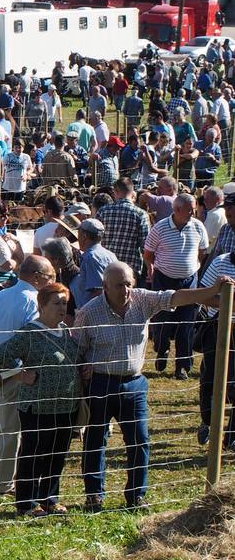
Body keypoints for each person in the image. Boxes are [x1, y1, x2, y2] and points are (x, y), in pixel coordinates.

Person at [73, 261, 226, 511]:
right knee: (95, 441)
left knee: (140, 441)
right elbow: (77, 350)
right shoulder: (89, 313)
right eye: (119, 285)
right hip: (100, 383)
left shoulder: (143, 300)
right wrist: (83, 373)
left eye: (129, 284)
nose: (125, 290)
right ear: (105, 287)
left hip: (134, 384)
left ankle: (136, 496)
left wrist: (211, 291)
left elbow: (176, 297)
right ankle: (94, 496)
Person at [0, 256, 58, 496]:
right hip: (13, 374)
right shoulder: (32, 301)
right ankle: (3, 484)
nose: (52, 281)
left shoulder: (0, 296)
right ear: (38, 277)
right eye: (50, 277)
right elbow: (27, 342)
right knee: (12, 430)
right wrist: (13, 372)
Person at [0, 283, 79, 517]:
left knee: (57, 454)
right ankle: (26, 503)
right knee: (33, 453)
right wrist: (20, 375)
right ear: (42, 305)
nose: (62, 308)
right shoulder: (30, 332)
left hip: (65, 405)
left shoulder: (66, 331)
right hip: (37, 406)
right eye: (56, 303)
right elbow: (1, 354)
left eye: (64, 303)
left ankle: (49, 498)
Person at [145, 192, 209, 379]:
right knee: (163, 320)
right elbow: (148, 253)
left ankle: (183, 365)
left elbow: (202, 252)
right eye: (189, 210)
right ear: (177, 209)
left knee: (186, 324)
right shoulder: (160, 227)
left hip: (189, 281)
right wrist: (151, 269)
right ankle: (162, 349)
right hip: (164, 279)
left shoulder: (198, 226)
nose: (192, 213)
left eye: (194, 209)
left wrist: (190, 267)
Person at [197, 248, 235, 446]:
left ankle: (231, 434)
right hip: (218, 328)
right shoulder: (221, 262)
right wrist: (228, 303)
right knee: (210, 379)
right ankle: (207, 422)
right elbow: (201, 295)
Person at [97, 178, 150, 279]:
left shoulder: (103, 211)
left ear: (115, 192)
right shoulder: (141, 214)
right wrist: (150, 267)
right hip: (130, 269)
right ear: (132, 192)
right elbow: (145, 245)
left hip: (106, 266)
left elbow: (96, 238)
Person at [69, 218, 116, 309]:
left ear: (84, 236)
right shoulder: (110, 255)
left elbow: (97, 292)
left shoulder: (90, 258)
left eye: (79, 233)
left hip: (96, 312)